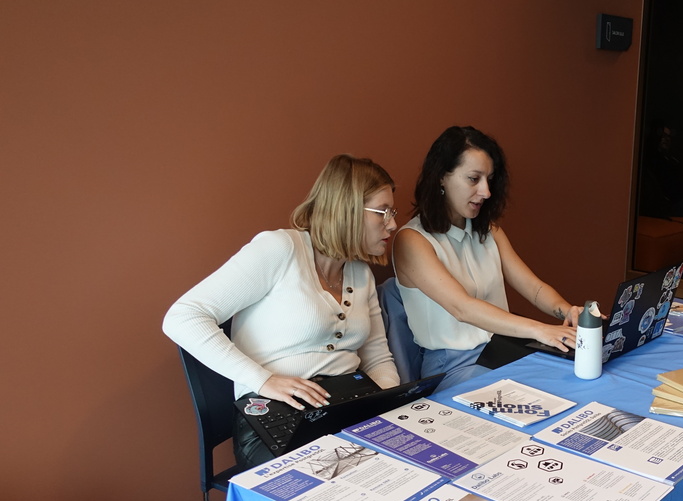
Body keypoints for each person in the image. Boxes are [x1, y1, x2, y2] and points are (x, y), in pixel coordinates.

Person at [163, 153, 400, 467]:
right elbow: (183, 317)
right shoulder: (279, 250)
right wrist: (262, 380)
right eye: (382, 212)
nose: (393, 224)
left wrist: (393, 412)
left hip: (345, 407)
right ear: (347, 209)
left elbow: (378, 357)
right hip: (274, 413)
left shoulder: (360, 273)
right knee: (339, 488)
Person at [392, 126, 582, 390]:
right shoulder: (412, 240)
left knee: (576, 379)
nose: (486, 191)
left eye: (489, 180)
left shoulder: (489, 230)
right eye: (473, 179)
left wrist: (567, 311)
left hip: (503, 351)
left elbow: (533, 287)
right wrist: (540, 330)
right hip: (453, 365)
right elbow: (463, 308)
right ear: (441, 178)